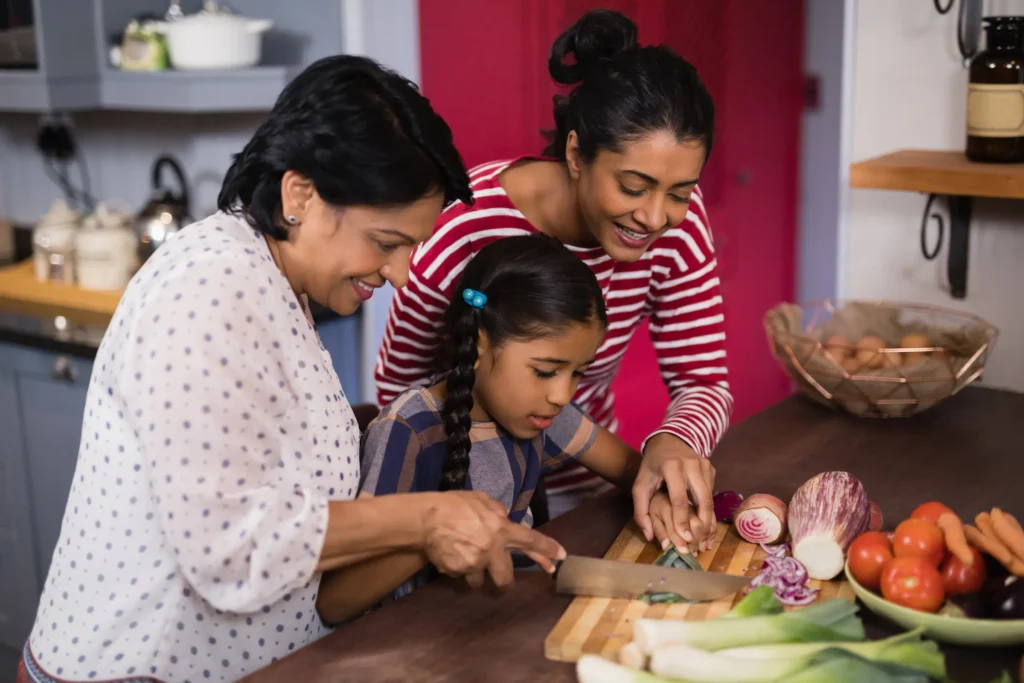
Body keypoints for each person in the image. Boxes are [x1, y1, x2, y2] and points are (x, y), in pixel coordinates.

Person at [17, 55, 568, 683]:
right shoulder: (208, 289)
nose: (400, 274)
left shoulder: (272, 281)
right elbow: (230, 545)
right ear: (300, 194)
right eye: (387, 243)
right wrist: (428, 515)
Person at [374, 8, 731, 544]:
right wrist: (453, 510)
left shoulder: (681, 225)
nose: (657, 217)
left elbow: (702, 380)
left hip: (589, 487)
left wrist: (674, 442)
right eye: (634, 187)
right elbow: (400, 390)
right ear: (575, 154)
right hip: (459, 504)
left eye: (679, 192)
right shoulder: (465, 226)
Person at [315, 234, 697, 623]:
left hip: (495, 626)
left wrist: (661, 494)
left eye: (577, 373)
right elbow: (336, 601)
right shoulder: (410, 430)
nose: (562, 394)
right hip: (414, 642)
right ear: (480, 343)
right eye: (545, 371)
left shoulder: (540, 409)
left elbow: (637, 472)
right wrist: (434, 535)